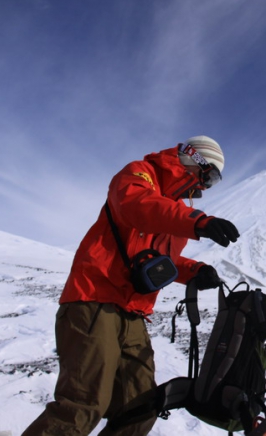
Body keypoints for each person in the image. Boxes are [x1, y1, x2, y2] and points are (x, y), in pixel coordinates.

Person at [23, 136, 240, 436]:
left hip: (134, 313)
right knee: (83, 405)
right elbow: (136, 205)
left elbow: (162, 260)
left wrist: (196, 271)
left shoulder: (174, 208)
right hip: (94, 300)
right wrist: (198, 222)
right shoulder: (140, 175)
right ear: (194, 159)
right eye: (210, 176)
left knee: (141, 405)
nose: (205, 187)